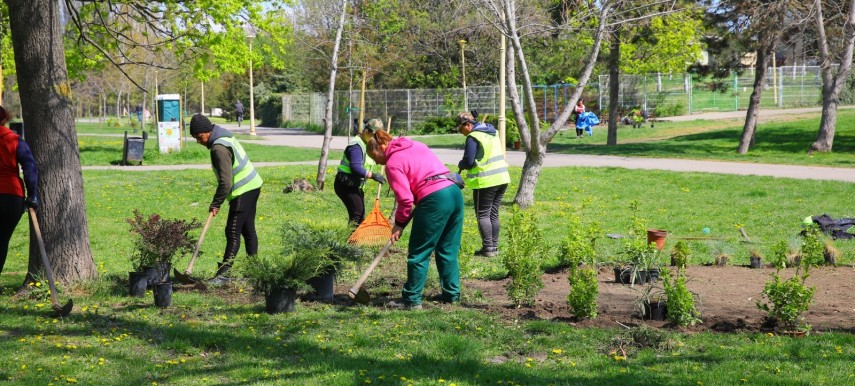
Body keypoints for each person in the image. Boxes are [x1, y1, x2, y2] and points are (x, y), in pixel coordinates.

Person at [365, 129, 464, 310]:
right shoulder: (416, 144)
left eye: (374, 155)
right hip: (453, 192)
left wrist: (399, 224)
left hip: (434, 199)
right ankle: (452, 295)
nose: (375, 160)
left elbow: (405, 200)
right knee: (447, 248)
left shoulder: (392, 164)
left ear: (381, 146)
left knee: (419, 252)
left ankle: (411, 299)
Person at [189, 114, 263, 285]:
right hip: (253, 184)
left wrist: (216, 203)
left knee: (232, 231)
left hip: (242, 190)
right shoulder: (222, 134)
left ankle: (223, 274)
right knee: (248, 230)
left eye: (199, 137)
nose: (198, 141)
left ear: (207, 132)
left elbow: (226, 182)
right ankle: (255, 271)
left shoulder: (218, 148)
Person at [456, 112, 511, 258]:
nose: (462, 133)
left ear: (467, 124)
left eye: (461, 130)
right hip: (502, 177)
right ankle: (493, 247)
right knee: (493, 214)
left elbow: (468, 162)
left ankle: (488, 248)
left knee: (483, 215)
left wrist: (462, 163)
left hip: (486, 180)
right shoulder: (492, 133)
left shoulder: (473, 137)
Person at [0, 106, 39, 275]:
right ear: (5, 119)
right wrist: (32, 196)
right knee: (1, 241)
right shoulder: (14, 140)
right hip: (10, 196)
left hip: (10, 194)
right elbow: (30, 169)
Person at [334, 118, 386, 226]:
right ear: (366, 131)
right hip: (346, 184)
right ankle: (351, 242)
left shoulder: (366, 143)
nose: (376, 139)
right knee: (356, 216)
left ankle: (355, 240)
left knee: (360, 215)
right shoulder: (356, 146)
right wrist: (373, 175)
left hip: (355, 184)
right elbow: (355, 167)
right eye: (374, 136)